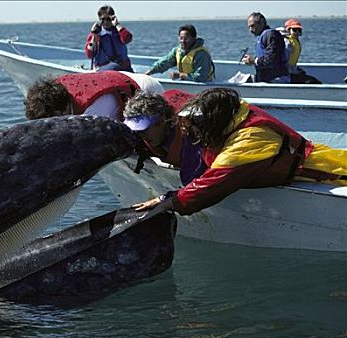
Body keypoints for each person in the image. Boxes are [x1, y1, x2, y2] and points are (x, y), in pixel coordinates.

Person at [132, 88, 347, 215]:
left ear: (214, 121)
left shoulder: (249, 140)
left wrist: (168, 201)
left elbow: (213, 184)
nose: (190, 132)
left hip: (326, 172)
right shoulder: (234, 112)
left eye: (197, 126)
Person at [122, 90, 206, 186]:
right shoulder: (145, 135)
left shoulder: (190, 133)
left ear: (162, 121)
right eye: (135, 130)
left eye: (144, 129)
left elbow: (194, 183)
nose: (140, 135)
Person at [24, 71, 164, 120]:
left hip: (148, 89)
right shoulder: (57, 86)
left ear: (62, 110)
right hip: (122, 77)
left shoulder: (93, 113)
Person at [144, 24, 215, 82]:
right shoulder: (178, 50)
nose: (183, 41)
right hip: (186, 83)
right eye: (181, 38)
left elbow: (201, 78)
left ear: (194, 38)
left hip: (202, 87)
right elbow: (165, 62)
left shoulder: (201, 54)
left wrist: (180, 75)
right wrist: (150, 71)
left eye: (186, 38)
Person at [242, 12, 290, 83]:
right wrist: (252, 61)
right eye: (249, 27)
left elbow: (272, 59)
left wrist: (254, 60)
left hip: (276, 79)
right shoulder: (262, 36)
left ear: (261, 22)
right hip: (266, 79)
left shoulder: (270, 35)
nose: (250, 30)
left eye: (252, 26)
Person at [85, 5, 133, 72]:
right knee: (115, 66)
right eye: (103, 19)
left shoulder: (119, 31)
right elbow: (90, 54)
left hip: (123, 67)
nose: (106, 22)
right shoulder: (97, 34)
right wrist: (94, 34)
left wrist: (117, 25)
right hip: (104, 68)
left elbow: (128, 39)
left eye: (108, 19)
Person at [279, 19, 322, 84]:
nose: (297, 32)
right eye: (294, 30)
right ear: (288, 30)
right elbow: (284, 60)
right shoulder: (287, 42)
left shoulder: (295, 40)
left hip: (292, 71)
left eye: (299, 30)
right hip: (287, 73)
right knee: (313, 82)